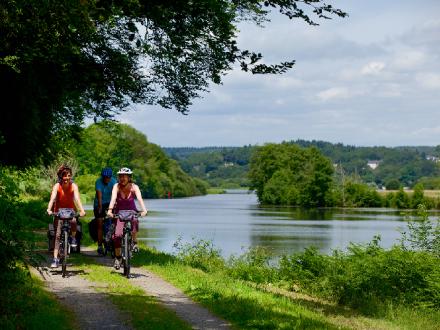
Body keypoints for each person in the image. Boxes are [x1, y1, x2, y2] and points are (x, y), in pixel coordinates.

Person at [107, 167, 147, 269]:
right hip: (119, 213)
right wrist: (110, 210)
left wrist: (144, 210)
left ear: (129, 177)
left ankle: (134, 242)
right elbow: (113, 199)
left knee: (134, 221)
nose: (122, 178)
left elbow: (139, 199)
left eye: (124, 176)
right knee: (117, 235)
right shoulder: (116, 186)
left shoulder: (134, 187)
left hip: (131, 212)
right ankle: (118, 257)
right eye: (120, 176)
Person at [47, 165, 86, 268]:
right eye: (64, 176)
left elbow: (77, 199)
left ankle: (73, 238)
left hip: (70, 211)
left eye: (68, 175)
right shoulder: (57, 186)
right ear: (60, 177)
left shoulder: (74, 186)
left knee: (73, 222)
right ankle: (55, 259)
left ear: (71, 176)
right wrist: (49, 209)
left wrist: (82, 210)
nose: (66, 178)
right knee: (58, 236)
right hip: (58, 213)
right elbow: (52, 198)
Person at [94, 167, 117, 255]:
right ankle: (100, 246)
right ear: (102, 176)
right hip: (100, 203)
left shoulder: (114, 181)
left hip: (110, 203)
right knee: (99, 224)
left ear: (111, 177)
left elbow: (115, 194)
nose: (107, 179)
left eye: (108, 177)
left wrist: (115, 205)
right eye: (105, 177)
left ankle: (114, 243)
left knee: (114, 222)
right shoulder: (98, 182)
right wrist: (100, 207)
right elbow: (99, 196)